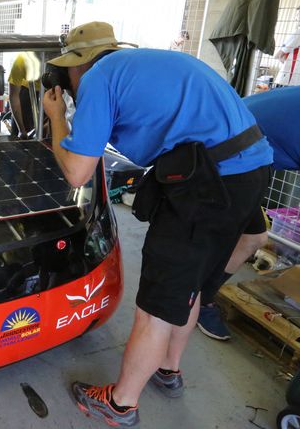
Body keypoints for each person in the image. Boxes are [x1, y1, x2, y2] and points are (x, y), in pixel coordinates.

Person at [42, 21, 272, 427]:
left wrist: (57, 116)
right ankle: (168, 369)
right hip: (250, 172)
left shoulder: (98, 78)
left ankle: (120, 404)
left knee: (156, 304)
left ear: (78, 65)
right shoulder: (153, 63)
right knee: (192, 282)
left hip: (208, 186)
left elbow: (77, 172)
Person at [197, 84, 300, 340]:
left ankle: (198, 299)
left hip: (237, 153)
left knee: (254, 238)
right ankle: (190, 303)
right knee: (215, 236)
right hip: (223, 155)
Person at [274, 0, 300, 87]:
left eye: (299, 13)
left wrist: (283, 56)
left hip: (288, 80)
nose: (297, 16)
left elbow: (277, 55)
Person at [8, 52, 41, 138]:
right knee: (20, 145)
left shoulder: (61, 60)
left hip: (50, 96)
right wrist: (21, 130)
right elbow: (14, 96)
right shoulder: (22, 60)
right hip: (26, 97)